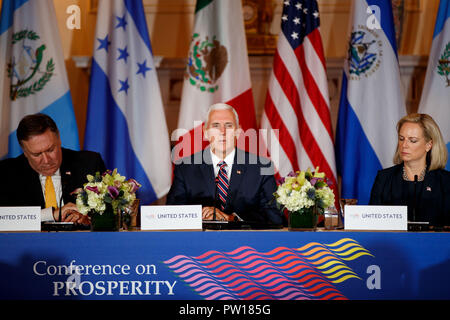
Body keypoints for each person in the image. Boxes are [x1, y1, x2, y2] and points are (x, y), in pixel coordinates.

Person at [166, 103, 283, 225]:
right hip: (200, 241)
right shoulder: (185, 168)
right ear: (205, 132)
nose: (222, 131)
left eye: (229, 125)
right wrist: (201, 215)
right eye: (215, 126)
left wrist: (232, 219)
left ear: (238, 132)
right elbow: (170, 214)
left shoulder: (261, 168)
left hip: (245, 242)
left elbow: (275, 217)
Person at [0, 114, 106, 225]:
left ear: (59, 139)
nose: (46, 160)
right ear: (25, 152)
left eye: (50, 150)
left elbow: (109, 215)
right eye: (37, 154)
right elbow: (3, 219)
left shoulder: (88, 163)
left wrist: (88, 220)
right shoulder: (6, 173)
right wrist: (51, 214)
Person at [369, 113, 450, 227]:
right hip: (392, 243)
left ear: (429, 145)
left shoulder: (445, 181)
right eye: (401, 139)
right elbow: (371, 224)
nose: (404, 145)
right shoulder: (384, 178)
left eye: (412, 140)